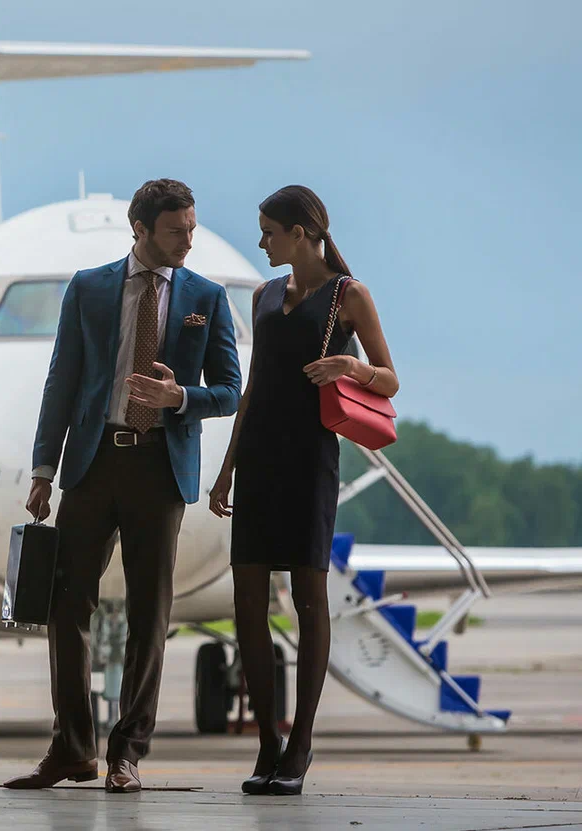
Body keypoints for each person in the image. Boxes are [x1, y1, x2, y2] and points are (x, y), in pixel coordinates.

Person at [7, 179, 241, 792]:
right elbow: (62, 382)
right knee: (65, 606)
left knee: (149, 613)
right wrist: (42, 470)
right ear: (140, 229)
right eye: (175, 230)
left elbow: (231, 391)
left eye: (192, 227)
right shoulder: (89, 288)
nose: (188, 240)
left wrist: (178, 397)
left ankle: (127, 754)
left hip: (159, 468)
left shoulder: (206, 297)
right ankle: (73, 748)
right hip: (92, 462)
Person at [208, 185, 400, 796]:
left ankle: (301, 743)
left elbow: (390, 378)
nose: (261, 241)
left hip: (311, 458)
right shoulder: (264, 295)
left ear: (300, 232)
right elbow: (256, 386)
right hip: (260, 456)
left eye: (268, 230)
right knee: (247, 608)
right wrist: (227, 468)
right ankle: (267, 741)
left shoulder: (350, 295)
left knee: (309, 601)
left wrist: (350, 368)